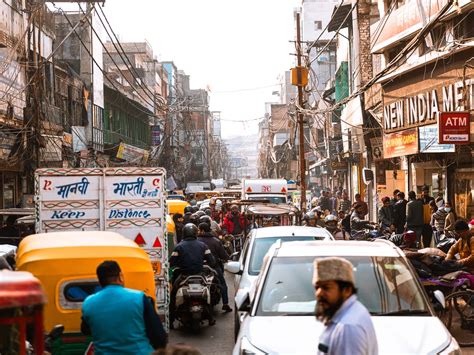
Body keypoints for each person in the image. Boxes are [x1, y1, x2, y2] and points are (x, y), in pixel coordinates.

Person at [81, 261, 167, 353]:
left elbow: (86, 330)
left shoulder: (88, 303)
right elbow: (158, 335)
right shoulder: (139, 298)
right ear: (120, 276)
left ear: (100, 281)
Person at [313, 257, 378, 355]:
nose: (319, 293)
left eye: (326, 287)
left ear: (347, 290)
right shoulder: (351, 313)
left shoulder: (348, 326)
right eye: (317, 287)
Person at [169, 223, 216, 328]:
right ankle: (211, 318)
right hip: (200, 276)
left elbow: (171, 262)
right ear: (195, 233)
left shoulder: (179, 247)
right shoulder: (203, 245)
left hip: (184, 276)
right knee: (210, 291)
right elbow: (212, 261)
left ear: (184, 233)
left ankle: (171, 321)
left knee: (172, 295)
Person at [197, 223, 232, 313]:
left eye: (199, 229)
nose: (198, 231)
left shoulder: (197, 241)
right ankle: (225, 303)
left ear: (202, 230)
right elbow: (224, 255)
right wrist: (227, 258)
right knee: (222, 284)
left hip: (199, 268)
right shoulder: (216, 241)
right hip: (214, 267)